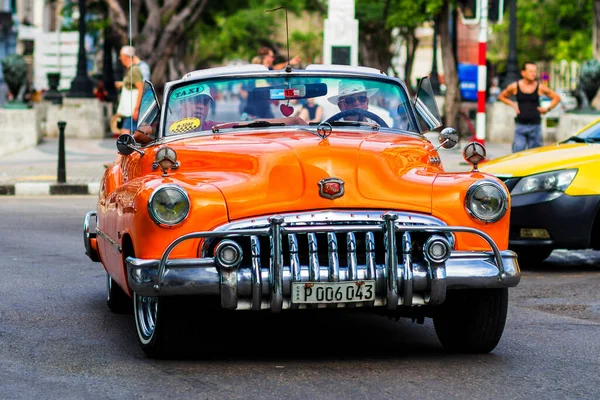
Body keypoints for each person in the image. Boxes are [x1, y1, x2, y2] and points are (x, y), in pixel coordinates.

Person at [497, 62, 561, 153]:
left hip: (535, 126)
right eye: (531, 71)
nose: (533, 74)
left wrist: (547, 109)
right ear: (523, 73)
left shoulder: (540, 87)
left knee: (534, 155)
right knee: (517, 153)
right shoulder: (515, 86)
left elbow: (556, 98)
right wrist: (513, 104)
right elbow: (501, 97)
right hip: (520, 126)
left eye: (535, 71)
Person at [115, 46, 144, 135]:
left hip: (132, 110)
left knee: (126, 134)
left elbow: (140, 88)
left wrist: (136, 109)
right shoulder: (130, 70)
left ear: (126, 56)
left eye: (121, 56)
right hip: (128, 110)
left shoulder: (134, 70)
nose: (120, 58)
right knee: (127, 134)